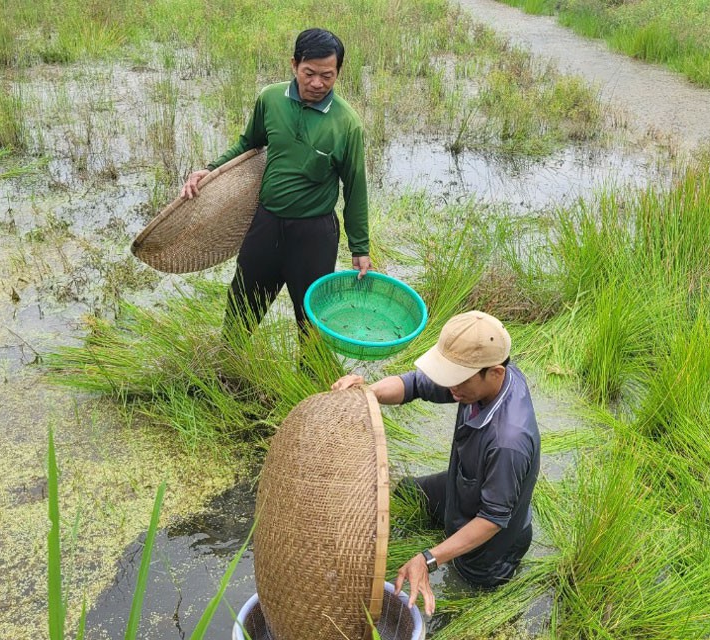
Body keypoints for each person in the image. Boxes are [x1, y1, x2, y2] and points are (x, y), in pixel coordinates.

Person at [332, 311, 540, 616]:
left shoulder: (509, 441)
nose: (450, 387)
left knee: (463, 590)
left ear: (494, 373)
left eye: (456, 379)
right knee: (406, 493)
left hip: (493, 546)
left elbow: (493, 520)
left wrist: (428, 558)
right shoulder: (479, 378)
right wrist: (368, 394)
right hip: (463, 483)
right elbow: (414, 385)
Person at [181, 28, 371, 336]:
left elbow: (355, 188)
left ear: (338, 73)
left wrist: (360, 247)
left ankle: (310, 380)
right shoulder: (270, 99)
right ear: (294, 64)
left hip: (314, 233)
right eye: (309, 73)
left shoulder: (347, 124)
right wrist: (211, 169)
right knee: (241, 307)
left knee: (312, 321)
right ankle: (230, 367)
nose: (317, 83)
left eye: (327, 76)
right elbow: (248, 143)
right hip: (266, 224)